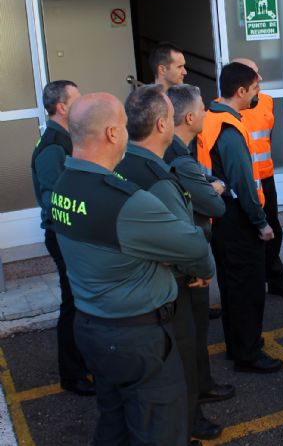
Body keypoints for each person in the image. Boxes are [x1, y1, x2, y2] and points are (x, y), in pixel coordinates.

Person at [53, 92, 210, 445]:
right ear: (112, 134)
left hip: (92, 327)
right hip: (137, 339)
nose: (127, 132)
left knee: (115, 423)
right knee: (160, 430)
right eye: (123, 126)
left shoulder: (65, 184)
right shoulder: (126, 202)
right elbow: (195, 245)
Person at [115, 85, 219, 442]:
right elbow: (186, 243)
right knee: (182, 361)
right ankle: (188, 426)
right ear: (163, 125)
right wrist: (202, 271)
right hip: (171, 286)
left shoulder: (120, 163)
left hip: (135, 287)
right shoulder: (158, 178)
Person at [196, 62, 283, 373]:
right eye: (255, 89)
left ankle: (238, 344)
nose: (258, 95)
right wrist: (261, 223)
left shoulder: (210, 118)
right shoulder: (230, 129)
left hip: (221, 217)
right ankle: (248, 353)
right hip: (238, 219)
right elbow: (244, 184)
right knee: (247, 290)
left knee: (233, 286)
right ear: (241, 91)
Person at [165, 85, 236, 423]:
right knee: (190, 337)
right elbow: (214, 204)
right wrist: (216, 188)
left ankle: (202, 385)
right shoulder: (177, 158)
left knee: (195, 335)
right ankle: (192, 412)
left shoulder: (178, 150)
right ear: (191, 117)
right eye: (204, 109)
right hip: (190, 263)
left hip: (188, 256)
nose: (208, 114)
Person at [30, 80, 93, 397]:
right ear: (62, 107)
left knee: (83, 302)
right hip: (65, 237)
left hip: (76, 235)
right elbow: (57, 201)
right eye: (77, 100)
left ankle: (85, 362)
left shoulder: (69, 140)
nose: (83, 105)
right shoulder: (53, 147)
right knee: (74, 303)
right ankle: (72, 374)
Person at [233, 57, 283, 300]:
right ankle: (252, 284)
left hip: (266, 176)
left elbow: (265, 138)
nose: (259, 79)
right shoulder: (220, 109)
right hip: (242, 181)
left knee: (274, 229)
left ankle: (275, 278)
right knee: (248, 233)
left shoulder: (267, 102)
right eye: (253, 74)